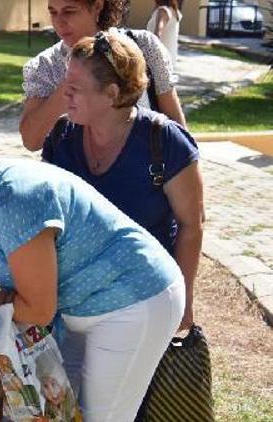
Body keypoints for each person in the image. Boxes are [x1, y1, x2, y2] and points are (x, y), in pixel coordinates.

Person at [0, 117, 185, 421]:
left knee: (100, 418)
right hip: (88, 306)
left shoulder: (16, 202)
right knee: (61, 412)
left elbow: (36, 310)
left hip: (135, 299)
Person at [42, 30, 203, 331]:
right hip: (73, 302)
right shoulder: (62, 137)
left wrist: (185, 298)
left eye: (75, 88)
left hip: (143, 299)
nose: (65, 95)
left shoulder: (166, 141)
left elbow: (191, 224)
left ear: (112, 94)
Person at [19, 0, 186, 152]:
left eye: (69, 11)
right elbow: (31, 141)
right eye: (53, 12)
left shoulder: (143, 46)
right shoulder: (46, 65)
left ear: (98, 6)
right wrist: (72, 82)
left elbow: (177, 130)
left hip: (145, 176)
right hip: (79, 181)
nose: (58, 21)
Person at [147, 0, 182, 67]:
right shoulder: (174, 11)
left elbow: (156, 36)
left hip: (158, 62)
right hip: (168, 62)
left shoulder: (163, 11)